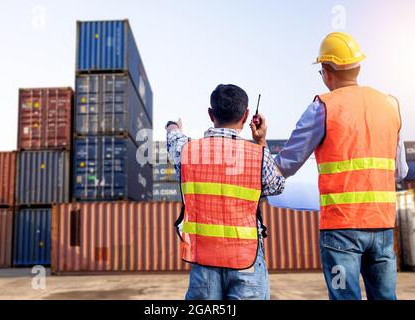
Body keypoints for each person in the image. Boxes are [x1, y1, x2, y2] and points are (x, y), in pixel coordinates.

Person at [274, 32, 409, 300]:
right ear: (358, 67)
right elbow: (401, 172)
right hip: (381, 226)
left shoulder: (323, 107)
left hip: (341, 231)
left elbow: (285, 166)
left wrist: (260, 147)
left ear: (326, 72)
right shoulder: (390, 105)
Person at [166, 84, 285, 300]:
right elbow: (277, 185)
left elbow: (173, 138)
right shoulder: (257, 155)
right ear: (246, 115)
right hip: (246, 258)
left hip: (203, 260)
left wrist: (173, 126)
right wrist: (261, 142)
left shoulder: (187, 150)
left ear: (211, 114)